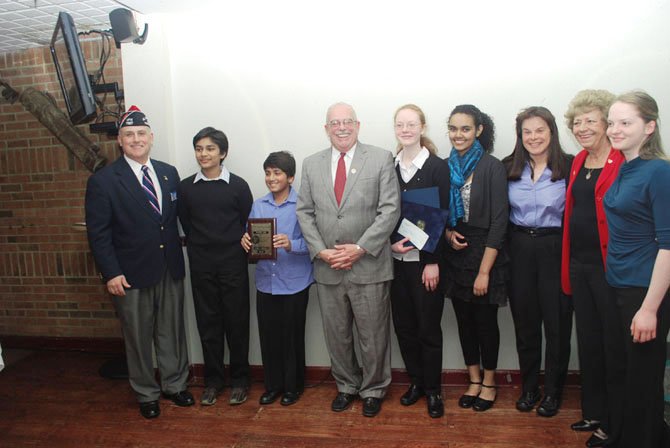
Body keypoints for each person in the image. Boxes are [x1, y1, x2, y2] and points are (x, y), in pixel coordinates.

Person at [85, 106, 193, 419]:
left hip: (169, 267)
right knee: (137, 337)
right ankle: (146, 393)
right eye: (129, 134)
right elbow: (99, 233)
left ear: (151, 137)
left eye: (141, 133)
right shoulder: (104, 181)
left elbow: (174, 221)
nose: (136, 139)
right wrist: (111, 272)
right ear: (119, 140)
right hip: (129, 274)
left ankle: (175, 385)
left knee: (171, 331)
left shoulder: (168, 173)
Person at [296, 102, 401, 417]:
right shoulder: (311, 164)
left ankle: (373, 389)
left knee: (373, 335)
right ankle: (346, 385)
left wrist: (360, 248)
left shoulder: (381, 158)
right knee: (337, 334)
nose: (341, 127)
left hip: (368, 264)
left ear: (358, 125)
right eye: (334, 123)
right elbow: (304, 211)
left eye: (347, 122)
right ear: (326, 128)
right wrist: (321, 250)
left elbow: (390, 209)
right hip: (328, 266)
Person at [604, 91, 670, 448]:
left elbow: (669, 245)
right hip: (618, 286)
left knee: (643, 382)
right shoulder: (625, 167)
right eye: (612, 122)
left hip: (644, 292)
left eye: (625, 122)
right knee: (622, 374)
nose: (614, 129)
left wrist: (649, 309)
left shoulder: (659, 172)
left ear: (649, 126)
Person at [561, 90, 625, 447]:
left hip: (610, 268)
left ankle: (614, 423)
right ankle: (595, 410)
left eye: (590, 121)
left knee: (614, 347)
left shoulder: (622, 161)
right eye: (577, 122)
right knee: (588, 342)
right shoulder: (578, 162)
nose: (582, 127)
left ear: (607, 124)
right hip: (579, 265)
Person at [503, 107, 573, 418]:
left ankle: (553, 392)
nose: (533, 137)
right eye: (527, 132)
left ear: (552, 132)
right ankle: (529, 388)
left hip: (555, 248)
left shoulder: (571, 166)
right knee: (525, 324)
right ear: (520, 136)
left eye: (539, 130)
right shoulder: (508, 167)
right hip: (519, 249)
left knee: (557, 325)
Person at [177, 127, 253, 406]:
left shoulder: (238, 186)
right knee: (208, 324)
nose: (203, 154)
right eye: (199, 148)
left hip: (233, 264)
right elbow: (187, 224)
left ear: (222, 153)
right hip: (201, 265)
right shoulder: (185, 188)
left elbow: (247, 222)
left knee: (237, 323)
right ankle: (213, 381)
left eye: (210, 148)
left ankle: (241, 380)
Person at [443, 104, 508, 412]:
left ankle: (490, 382)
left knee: (485, 323)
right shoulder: (445, 166)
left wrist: (484, 272)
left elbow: (499, 221)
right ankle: (472, 379)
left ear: (479, 130)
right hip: (457, 252)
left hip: (486, 254)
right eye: (453, 128)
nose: (459, 134)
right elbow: (439, 214)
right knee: (464, 322)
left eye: (465, 128)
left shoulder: (492, 167)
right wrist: (447, 235)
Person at [389, 104, 450, 418]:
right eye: (400, 124)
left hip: (424, 264)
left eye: (411, 124)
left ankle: (433, 390)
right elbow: (382, 211)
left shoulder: (437, 167)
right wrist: (389, 246)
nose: (406, 129)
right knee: (404, 327)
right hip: (396, 262)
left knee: (428, 328)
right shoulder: (390, 164)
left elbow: (440, 214)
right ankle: (416, 382)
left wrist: (432, 261)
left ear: (422, 126)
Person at [241, 151, 314, 406]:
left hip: (294, 281)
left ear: (290, 177)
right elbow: (250, 237)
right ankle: (273, 386)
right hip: (266, 281)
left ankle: (293, 387)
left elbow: (315, 243)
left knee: (292, 338)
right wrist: (245, 240)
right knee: (268, 337)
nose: (271, 178)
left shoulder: (303, 205)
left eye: (277, 173)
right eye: (268, 173)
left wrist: (290, 243)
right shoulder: (258, 204)